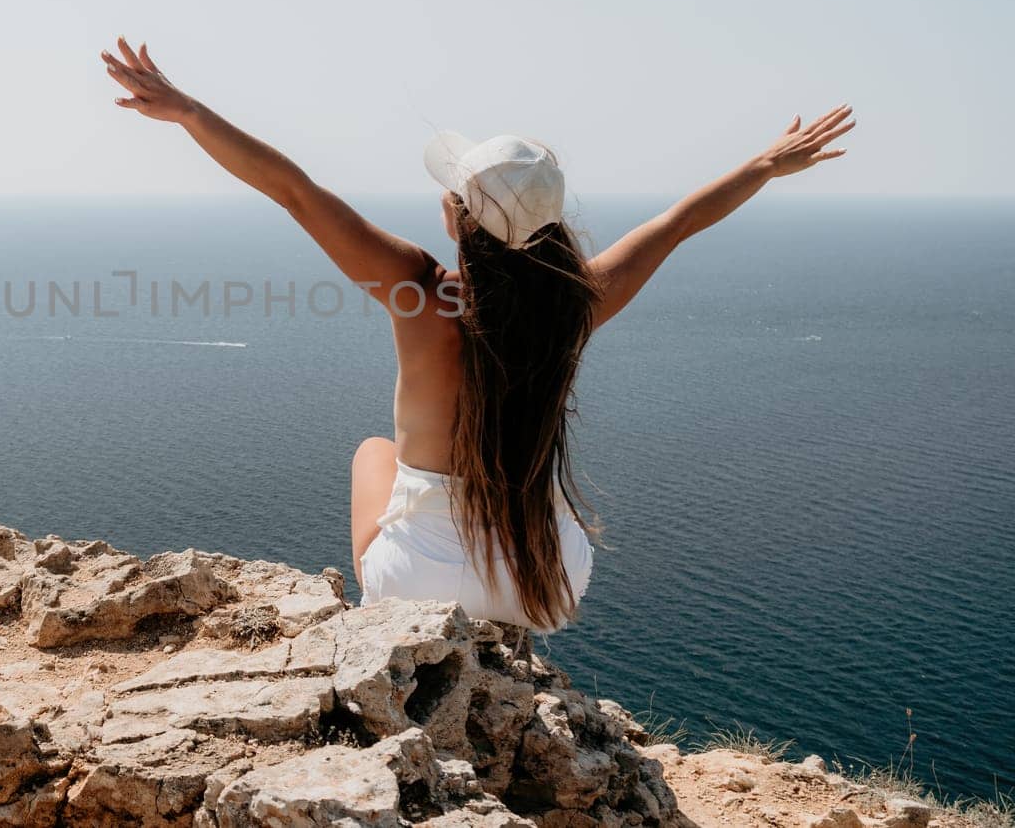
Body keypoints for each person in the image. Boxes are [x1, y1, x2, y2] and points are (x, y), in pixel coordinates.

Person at [101, 38, 855, 631]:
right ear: (551, 225)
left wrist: (191, 112)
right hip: (545, 581)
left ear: (458, 215)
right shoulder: (575, 306)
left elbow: (294, 191)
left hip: (416, 585)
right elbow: (679, 222)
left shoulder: (419, 290)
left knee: (375, 452)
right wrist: (764, 162)